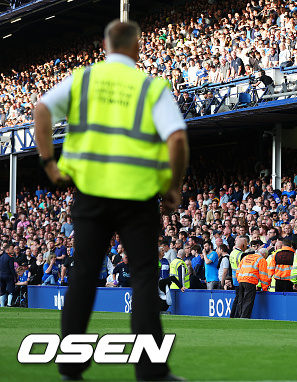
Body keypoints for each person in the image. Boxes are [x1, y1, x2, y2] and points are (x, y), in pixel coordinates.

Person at [34, 20, 188, 381]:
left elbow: (41, 109)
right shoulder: (151, 87)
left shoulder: (84, 79)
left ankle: (70, 365)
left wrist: (49, 164)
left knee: (83, 275)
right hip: (137, 196)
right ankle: (151, 371)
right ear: (137, 48)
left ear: (105, 45)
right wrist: (173, 187)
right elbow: (177, 139)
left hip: (91, 194)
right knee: (145, 278)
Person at [235, 248, 271, 318]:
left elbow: (238, 270)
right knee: (248, 301)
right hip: (250, 282)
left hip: (241, 281)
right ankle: (244, 318)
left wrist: (239, 279)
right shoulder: (261, 260)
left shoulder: (246, 257)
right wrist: (264, 288)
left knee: (240, 301)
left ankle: (240, 317)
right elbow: (263, 275)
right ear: (264, 254)